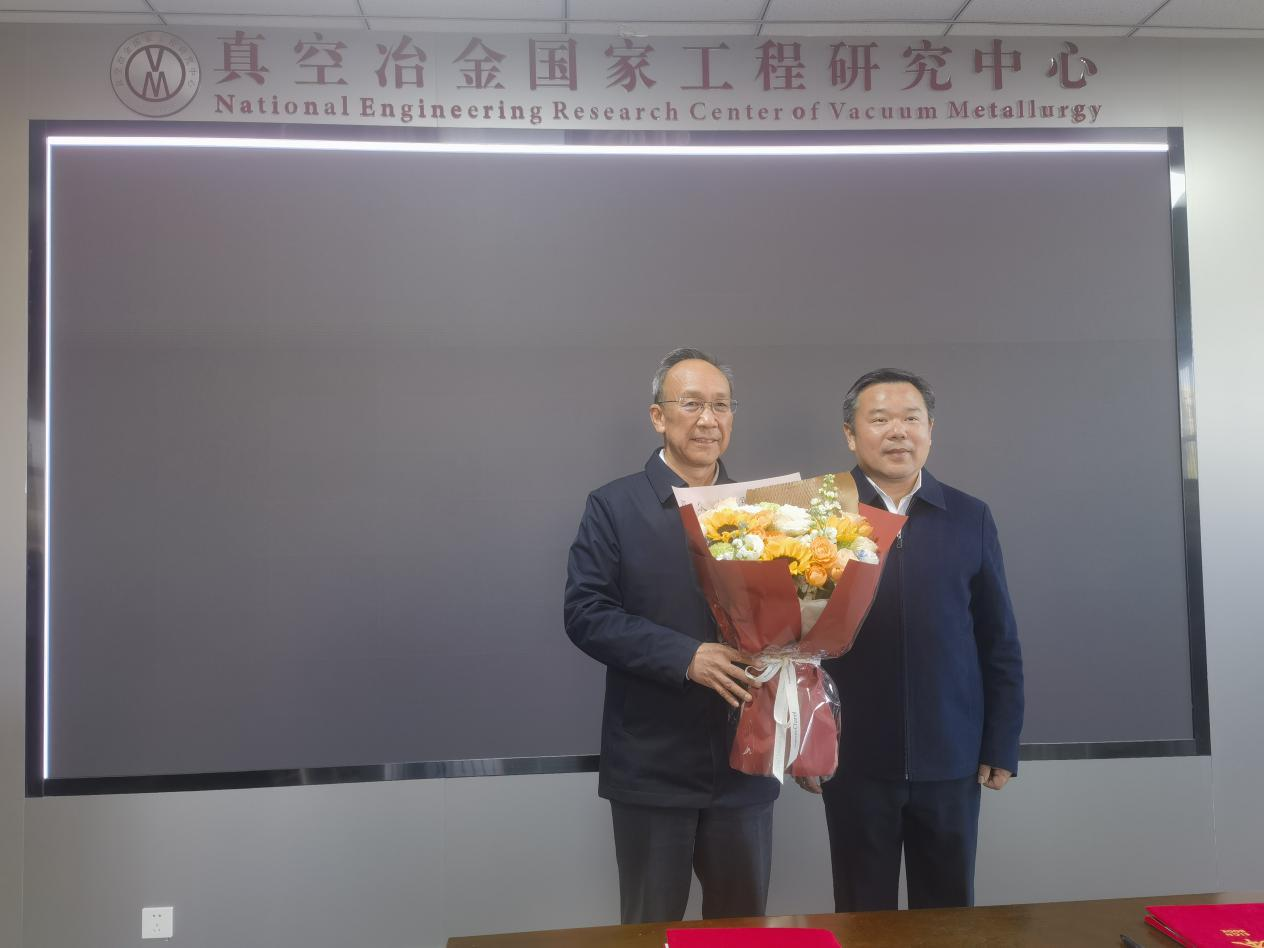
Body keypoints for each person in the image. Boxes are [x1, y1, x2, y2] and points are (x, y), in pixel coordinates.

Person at [564, 348, 780, 924]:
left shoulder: (768, 511)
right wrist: (686, 656)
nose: (708, 420)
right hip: (652, 764)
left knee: (741, 931)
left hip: (745, 762)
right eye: (692, 404)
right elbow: (586, 613)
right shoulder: (613, 506)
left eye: (721, 406)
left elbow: (795, 620)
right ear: (658, 416)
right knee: (649, 930)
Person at [801, 368, 1024, 912]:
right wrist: (805, 743)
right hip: (853, 757)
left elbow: (998, 638)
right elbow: (790, 644)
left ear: (930, 430)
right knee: (862, 915)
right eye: (880, 419)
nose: (898, 431)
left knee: (948, 917)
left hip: (951, 756)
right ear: (850, 434)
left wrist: (1000, 740)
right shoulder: (816, 512)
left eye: (911, 418)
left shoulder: (969, 516)